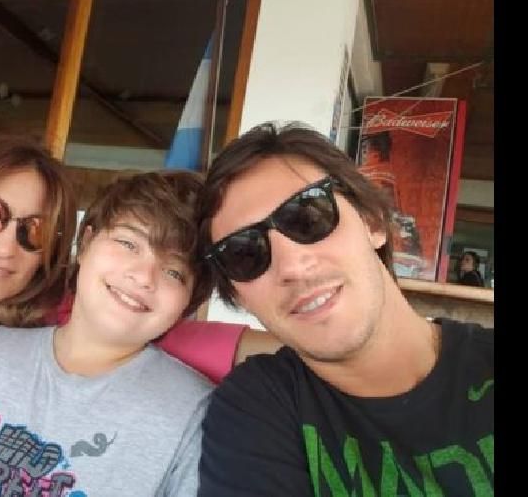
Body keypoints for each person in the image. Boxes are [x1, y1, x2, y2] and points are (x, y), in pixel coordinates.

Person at [0, 135, 281, 496]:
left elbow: (139, 332)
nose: (4, 246)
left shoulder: (33, 310)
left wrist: (306, 342)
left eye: (32, 232)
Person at [196, 122, 494, 495]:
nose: (292, 266)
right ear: (239, 297)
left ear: (373, 222)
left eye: (308, 217)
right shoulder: (256, 410)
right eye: (243, 254)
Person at [0, 171, 215, 495]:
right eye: (128, 243)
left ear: (189, 302)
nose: (143, 276)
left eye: (174, 272)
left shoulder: (198, 413)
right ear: (86, 242)